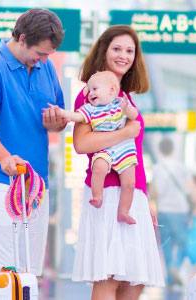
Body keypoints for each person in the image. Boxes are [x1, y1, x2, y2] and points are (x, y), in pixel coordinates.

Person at [0, 8, 67, 276]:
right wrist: (4, 158)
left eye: (48, 55)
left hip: (34, 184)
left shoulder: (45, 68)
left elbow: (57, 117)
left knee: (29, 273)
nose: (44, 60)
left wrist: (55, 122)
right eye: (40, 53)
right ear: (22, 38)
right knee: (1, 274)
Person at [70, 25, 164, 299]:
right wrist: (124, 132)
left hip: (131, 194)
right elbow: (81, 144)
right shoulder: (91, 94)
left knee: (134, 280)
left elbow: (134, 155)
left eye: (129, 50)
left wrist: (145, 200)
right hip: (106, 194)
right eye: (117, 49)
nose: (123, 55)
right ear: (104, 51)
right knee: (109, 277)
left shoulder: (126, 97)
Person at [58, 70, 139, 224]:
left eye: (95, 89)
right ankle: (97, 196)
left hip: (124, 149)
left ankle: (123, 211)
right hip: (104, 148)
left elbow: (134, 116)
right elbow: (78, 117)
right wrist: (65, 114)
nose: (90, 94)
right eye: (89, 90)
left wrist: (127, 108)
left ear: (112, 91)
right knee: (99, 167)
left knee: (129, 183)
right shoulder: (90, 109)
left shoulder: (120, 104)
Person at [150, 136, 192, 288]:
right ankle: (175, 266)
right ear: (173, 149)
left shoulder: (157, 168)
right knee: (183, 242)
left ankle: (169, 275)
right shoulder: (181, 167)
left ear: (160, 150)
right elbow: (189, 188)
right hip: (180, 209)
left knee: (166, 243)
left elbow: (155, 192)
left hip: (164, 210)